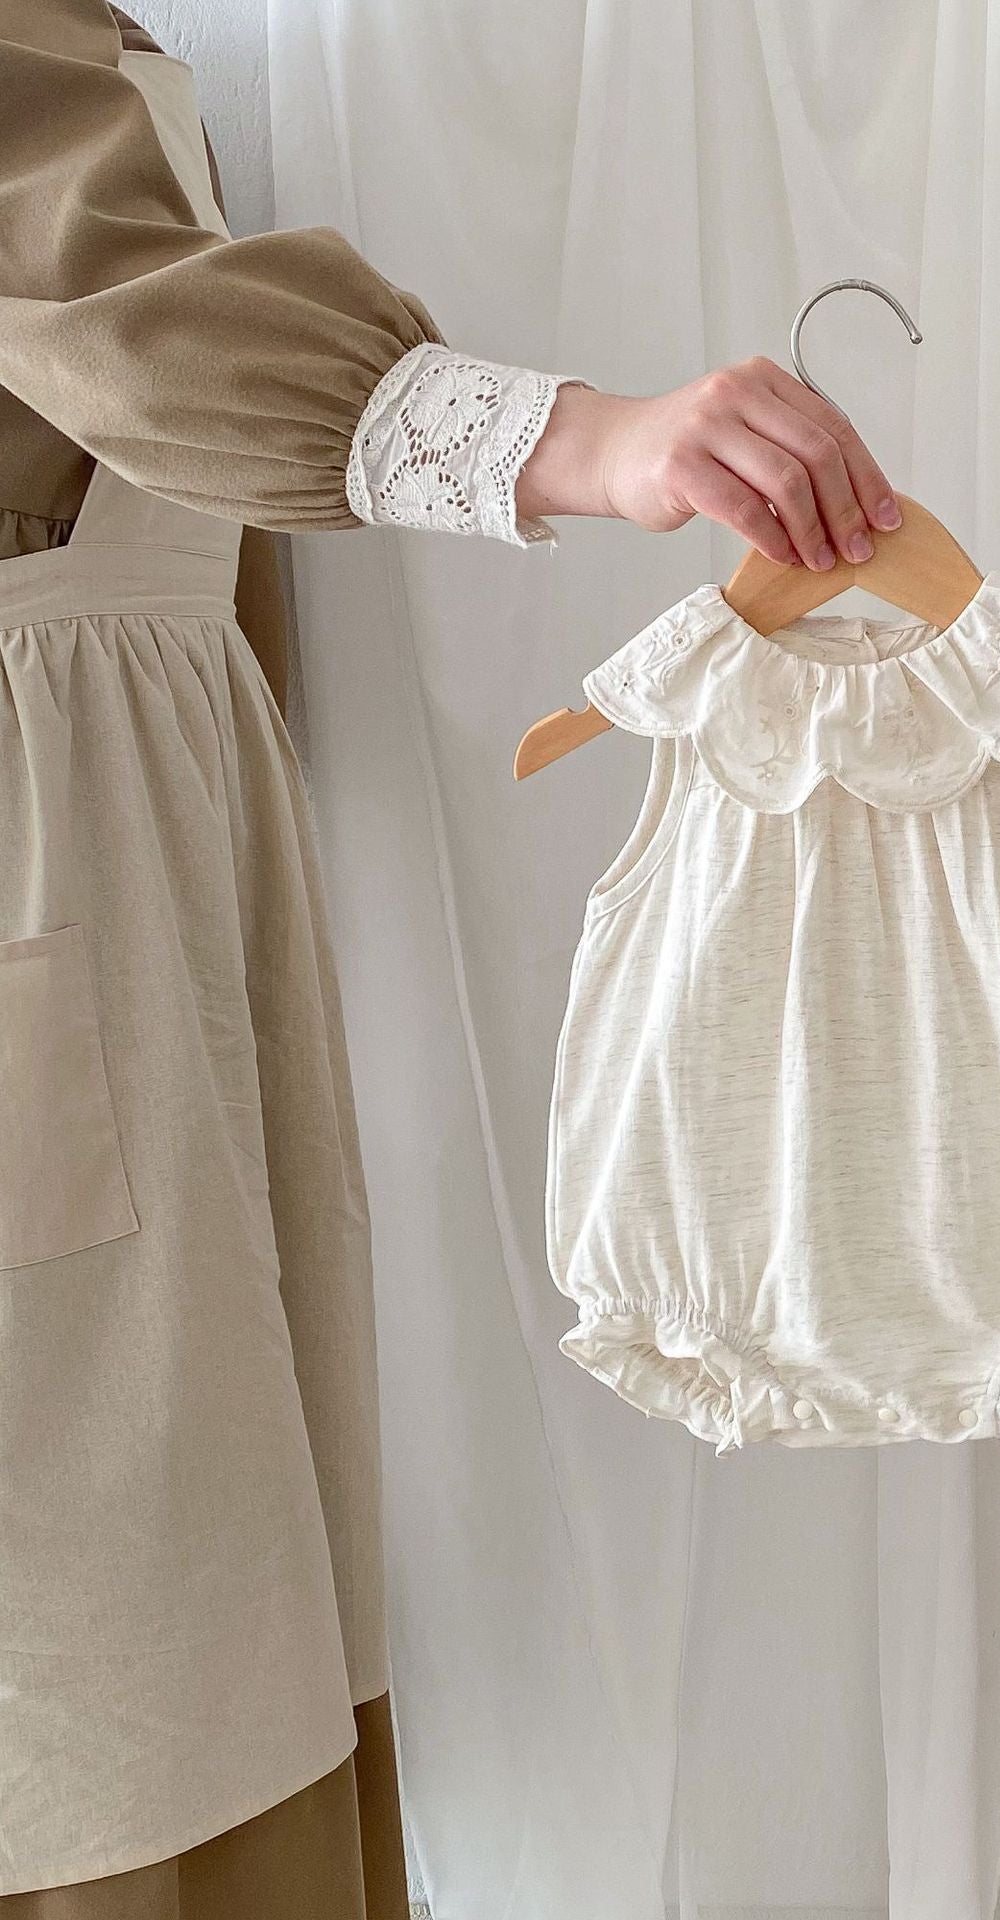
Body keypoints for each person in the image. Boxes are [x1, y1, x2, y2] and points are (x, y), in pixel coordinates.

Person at [0, 2, 898, 1913]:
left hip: (139, 846)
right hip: (52, 847)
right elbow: (114, 316)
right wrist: (586, 441)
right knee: (96, 1594)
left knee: (200, 1543)